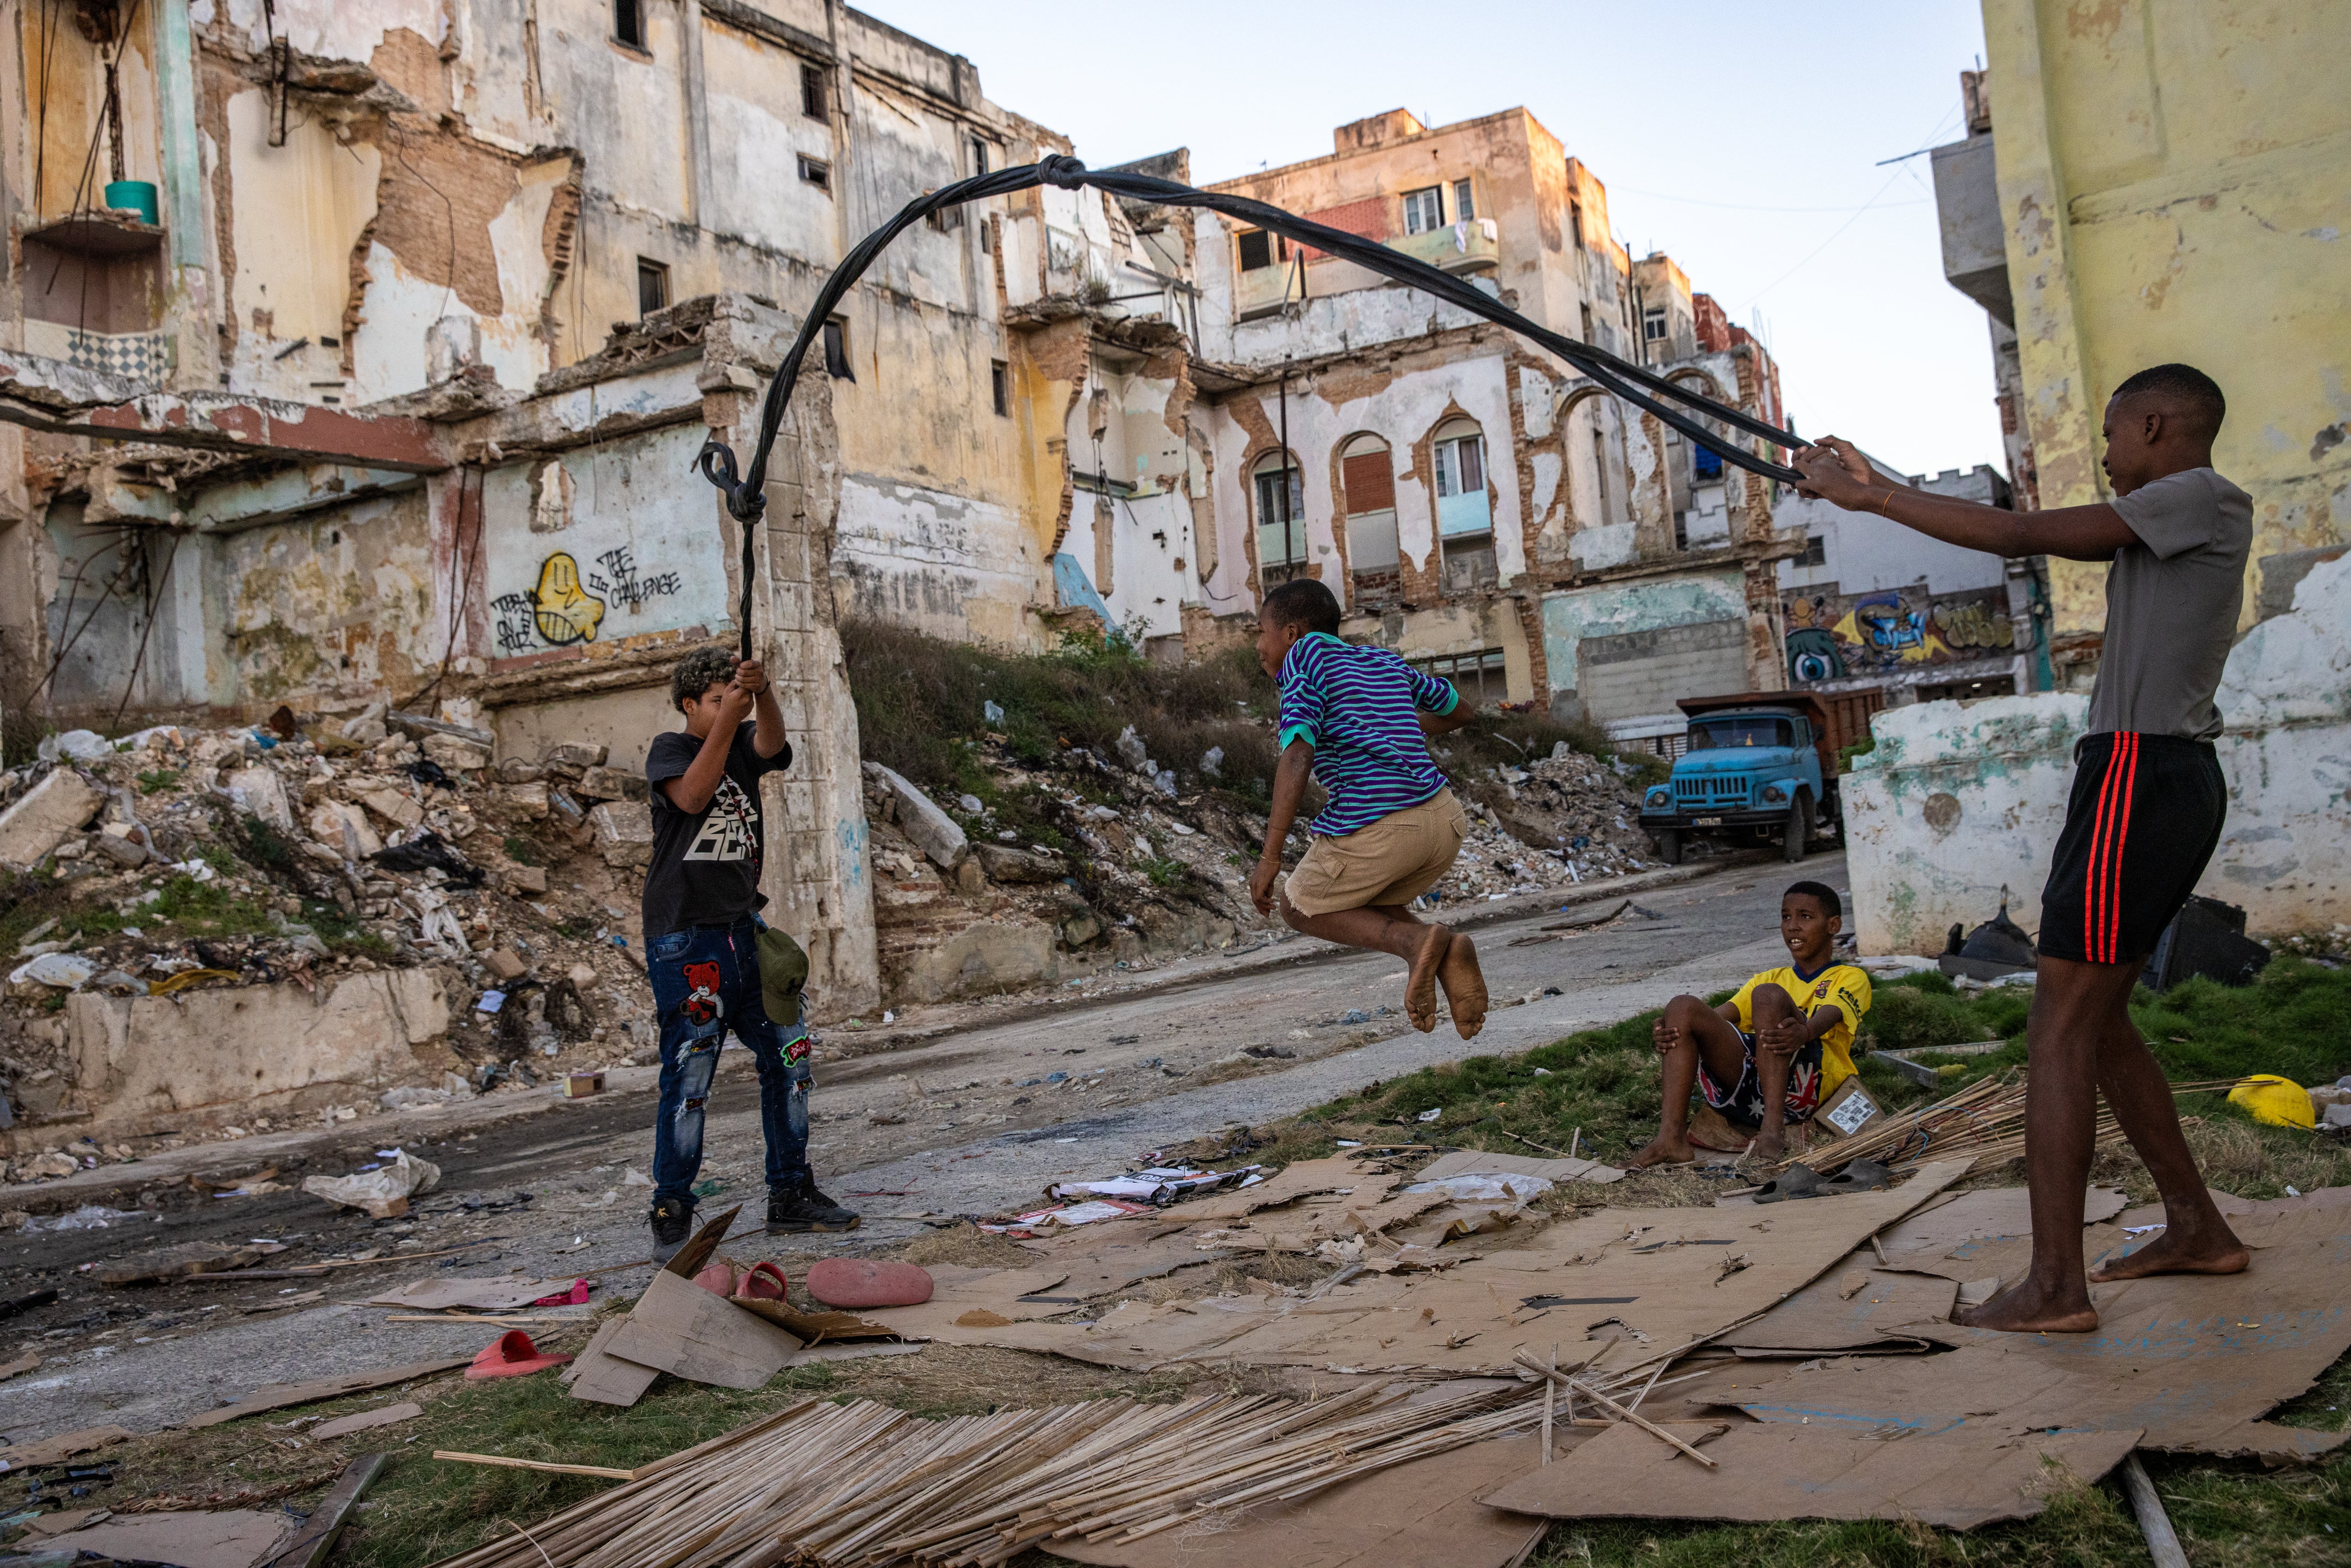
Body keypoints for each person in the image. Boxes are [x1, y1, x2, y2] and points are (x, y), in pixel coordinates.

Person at [1791, 362, 2250, 1332]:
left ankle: (2053, 1285)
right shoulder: (2173, 513)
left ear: (2159, 425)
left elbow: (2016, 534)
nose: (2104, 454)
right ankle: (2195, 1225)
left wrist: (1866, 494)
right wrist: (1872, 477)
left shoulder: (2194, 496)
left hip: (2141, 772)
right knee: (2099, 1016)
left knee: (2057, 1021)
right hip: (2144, 773)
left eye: (2115, 434)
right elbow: (2012, 527)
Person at [640, 645, 857, 1260]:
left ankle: (790, 1192)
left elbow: (772, 743)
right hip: (687, 940)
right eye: (716, 701)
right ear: (690, 705)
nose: (727, 712)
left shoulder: (741, 745)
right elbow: (691, 796)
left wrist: (759, 694)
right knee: (691, 1072)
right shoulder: (672, 749)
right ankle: (672, 1205)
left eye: (728, 699)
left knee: (790, 1055)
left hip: (744, 931)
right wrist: (731, 713)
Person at [1247, 577, 1489, 1037]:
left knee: (1298, 904)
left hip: (1386, 823)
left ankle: (1416, 942)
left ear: (1292, 633)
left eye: (1261, 631)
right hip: (1443, 819)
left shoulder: (1304, 658)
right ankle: (1448, 953)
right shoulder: (1378, 658)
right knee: (1367, 899)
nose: (1258, 645)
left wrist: (1270, 857)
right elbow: (1462, 713)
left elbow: (1297, 753)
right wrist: (1387, 724)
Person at [1629, 881, 1870, 1167]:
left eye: (1805, 917)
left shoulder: (1850, 976)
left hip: (1809, 1090)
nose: (1792, 926)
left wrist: (1803, 1033)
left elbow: (1827, 1016)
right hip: (1750, 1093)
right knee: (1682, 1007)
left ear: (1833, 925)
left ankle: (1772, 1132)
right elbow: (1713, 1019)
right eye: (1785, 917)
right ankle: (1671, 1139)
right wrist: (1674, 1030)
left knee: (1768, 997)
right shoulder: (1769, 977)